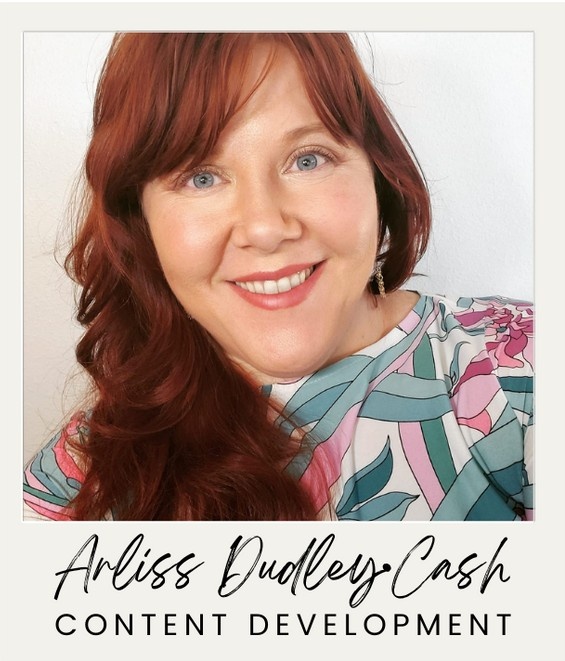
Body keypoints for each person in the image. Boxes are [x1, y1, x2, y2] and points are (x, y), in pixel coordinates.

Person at [23, 32, 534, 522]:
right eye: (201, 177)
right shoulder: (86, 470)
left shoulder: (519, 369)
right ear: (141, 221)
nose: (265, 228)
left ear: (378, 174)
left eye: (307, 160)